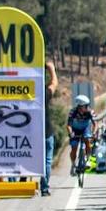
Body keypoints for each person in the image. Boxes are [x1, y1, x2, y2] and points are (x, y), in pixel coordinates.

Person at [67, 95, 97, 178]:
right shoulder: (73, 112)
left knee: (87, 140)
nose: (87, 107)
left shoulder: (90, 112)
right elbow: (68, 125)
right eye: (85, 106)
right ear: (80, 106)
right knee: (74, 148)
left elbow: (95, 124)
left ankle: (88, 159)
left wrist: (94, 133)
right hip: (75, 129)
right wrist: (70, 133)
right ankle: (73, 164)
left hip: (85, 129)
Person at [42, 60, 58, 195]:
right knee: (47, 160)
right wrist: (51, 68)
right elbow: (54, 83)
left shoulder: (25, 96)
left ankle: (16, 182)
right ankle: (44, 187)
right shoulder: (43, 93)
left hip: (30, 133)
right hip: (47, 131)